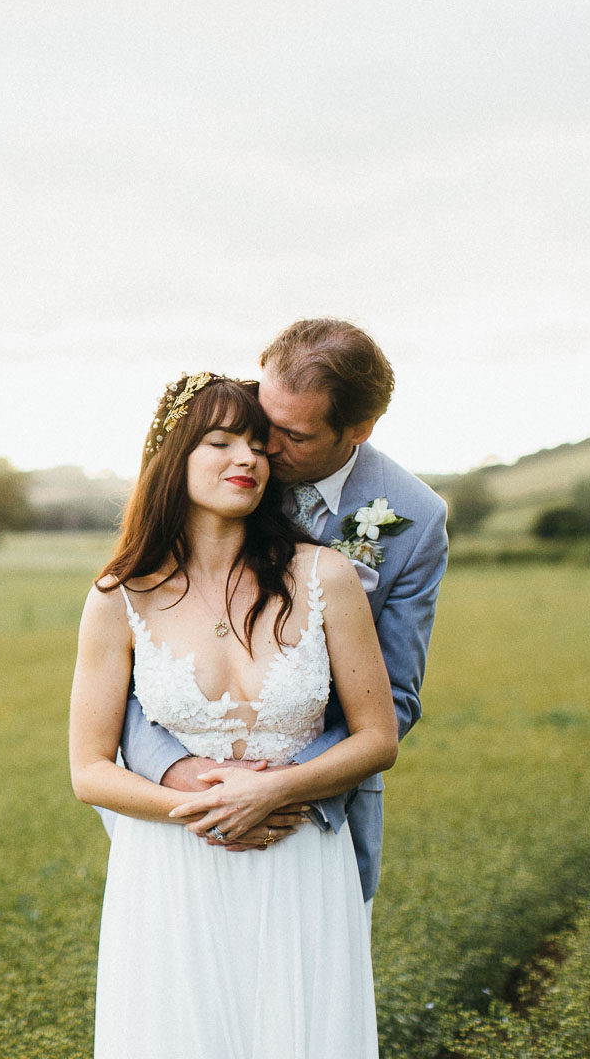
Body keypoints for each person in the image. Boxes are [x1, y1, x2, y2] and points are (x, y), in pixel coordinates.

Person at [69, 373, 399, 1057]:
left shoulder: (325, 577)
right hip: (172, 868)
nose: (247, 458)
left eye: (257, 444)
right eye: (220, 441)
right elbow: (90, 771)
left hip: (300, 855)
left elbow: (378, 737)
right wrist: (208, 810)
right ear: (173, 456)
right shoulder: (118, 597)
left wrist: (274, 790)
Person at [120, 319, 449, 901]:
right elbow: (142, 645)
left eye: (292, 436)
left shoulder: (414, 520)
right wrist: (180, 774)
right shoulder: (229, 461)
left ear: (359, 430)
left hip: (314, 817)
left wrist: (281, 786)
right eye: (263, 420)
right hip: (187, 809)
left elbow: (394, 696)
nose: (264, 448)